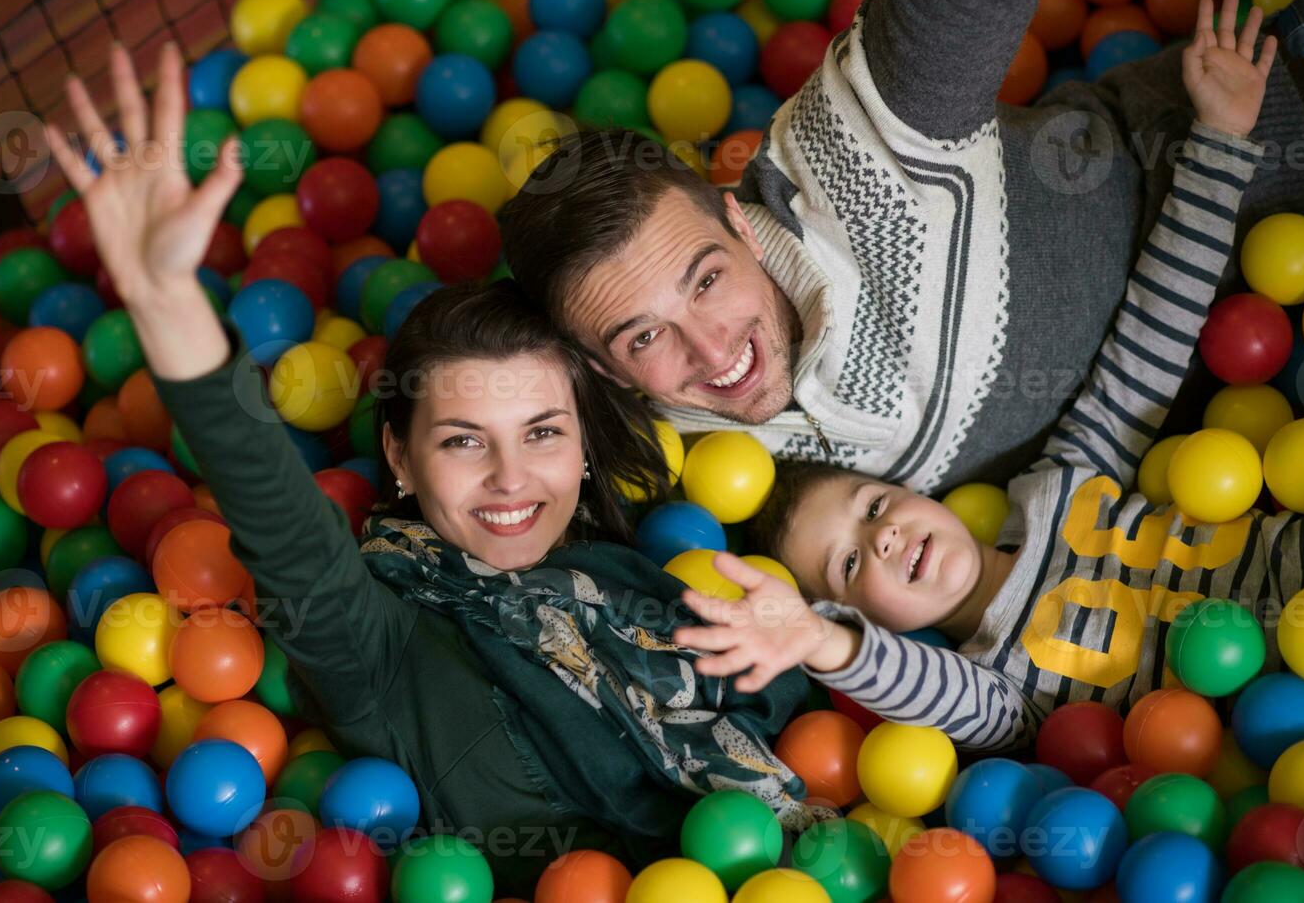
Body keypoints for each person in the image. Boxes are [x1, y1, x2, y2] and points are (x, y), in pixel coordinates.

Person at [42, 43, 823, 894]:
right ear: (399, 461)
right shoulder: (380, 647)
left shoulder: (631, 576)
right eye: (462, 440)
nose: (511, 477)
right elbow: (275, 513)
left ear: (586, 438)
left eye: (542, 432)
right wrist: (165, 301)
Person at [670, 0, 1304, 751]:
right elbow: (937, 695)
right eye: (851, 563)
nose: (886, 536)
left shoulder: (1062, 487)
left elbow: (1153, 339)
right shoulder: (1004, 689)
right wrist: (819, 645)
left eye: (872, 506)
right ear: (865, 621)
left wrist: (1221, 142)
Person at [498, 0, 1304, 495]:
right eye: (643, 337)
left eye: (706, 279)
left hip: (1297, 122)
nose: (714, 350)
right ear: (601, 371)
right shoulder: (673, 462)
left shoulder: (865, 155)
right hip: (1285, 420)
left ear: (734, 222)